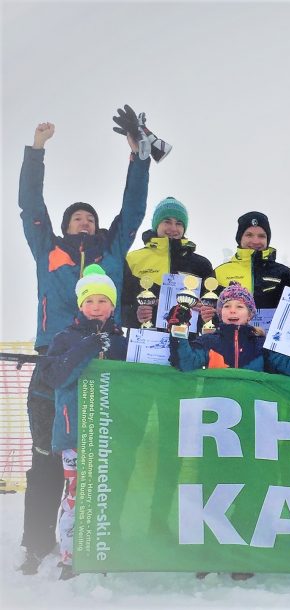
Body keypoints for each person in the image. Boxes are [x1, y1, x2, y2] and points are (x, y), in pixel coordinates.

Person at [17, 119, 148, 575]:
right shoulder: (47, 248)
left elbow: (133, 209)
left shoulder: (111, 250)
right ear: (65, 225)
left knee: (102, 460)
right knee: (46, 459)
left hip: (104, 365)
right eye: (77, 217)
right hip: (53, 365)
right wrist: (37, 150)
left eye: (90, 218)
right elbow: (30, 205)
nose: (85, 221)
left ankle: (100, 538)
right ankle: (37, 544)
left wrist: (138, 157)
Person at [41, 266, 129, 580]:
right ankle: (70, 557)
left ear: (113, 306)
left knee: (107, 492)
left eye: (103, 300)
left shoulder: (121, 341)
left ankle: (104, 551)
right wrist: (89, 345)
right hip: (74, 432)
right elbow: (54, 376)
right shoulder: (65, 338)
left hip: (112, 431)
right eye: (89, 300)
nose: (95, 306)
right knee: (76, 494)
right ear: (80, 305)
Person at [167, 282, 290, 375]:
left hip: (254, 406)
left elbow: (289, 368)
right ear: (220, 313)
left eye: (239, 306)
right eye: (227, 306)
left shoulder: (262, 345)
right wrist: (177, 328)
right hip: (216, 404)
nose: (232, 311)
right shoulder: (208, 341)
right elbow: (186, 363)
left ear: (250, 315)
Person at [122, 196, 213, 330]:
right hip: (144, 337)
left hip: (186, 338)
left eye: (179, 223)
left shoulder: (201, 264)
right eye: (167, 221)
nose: (173, 228)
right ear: (156, 224)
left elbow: (214, 311)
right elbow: (117, 306)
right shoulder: (133, 259)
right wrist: (135, 315)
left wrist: (203, 311)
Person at [208, 211, 290, 324]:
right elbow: (208, 314)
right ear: (240, 238)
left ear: (267, 239)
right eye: (249, 235)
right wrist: (207, 316)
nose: (255, 241)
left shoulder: (283, 273)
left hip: (271, 335)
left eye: (261, 236)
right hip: (230, 335)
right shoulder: (220, 272)